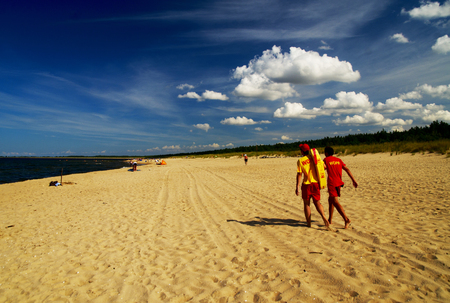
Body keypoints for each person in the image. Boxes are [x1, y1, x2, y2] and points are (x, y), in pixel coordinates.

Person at [295, 144, 331, 230]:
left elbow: (299, 174)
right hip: (316, 184)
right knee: (317, 203)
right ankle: (324, 217)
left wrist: (297, 186)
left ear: (302, 151)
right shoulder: (316, 158)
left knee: (307, 204)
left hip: (306, 184)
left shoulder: (300, 160)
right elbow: (324, 167)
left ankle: (309, 223)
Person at [323, 146, 358, 229]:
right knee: (330, 200)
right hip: (339, 183)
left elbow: (322, 168)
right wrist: (353, 180)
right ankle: (330, 220)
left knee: (334, 201)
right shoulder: (338, 160)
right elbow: (347, 169)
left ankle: (346, 219)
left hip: (332, 183)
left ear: (326, 153)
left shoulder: (326, 160)